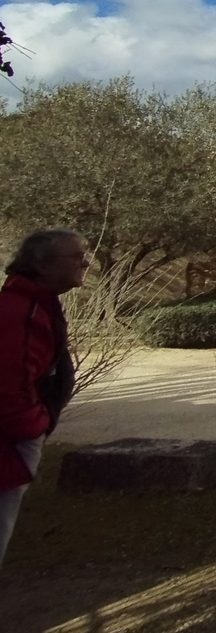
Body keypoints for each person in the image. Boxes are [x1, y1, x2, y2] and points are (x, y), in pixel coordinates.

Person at [0, 230, 86, 565]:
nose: (85, 263)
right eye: (76, 257)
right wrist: (35, 425)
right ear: (43, 265)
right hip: (11, 438)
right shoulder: (20, 311)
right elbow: (9, 384)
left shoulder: (36, 304)